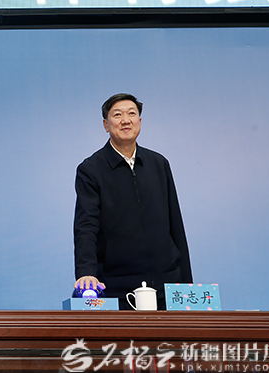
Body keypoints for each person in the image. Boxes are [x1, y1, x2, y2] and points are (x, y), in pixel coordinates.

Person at [74, 94, 192, 309]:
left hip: (167, 284)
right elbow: (86, 226)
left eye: (132, 114)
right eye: (117, 115)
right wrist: (86, 273)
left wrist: (186, 284)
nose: (126, 120)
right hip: (117, 286)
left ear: (140, 121)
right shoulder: (91, 169)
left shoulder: (159, 164)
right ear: (106, 125)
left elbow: (176, 225)